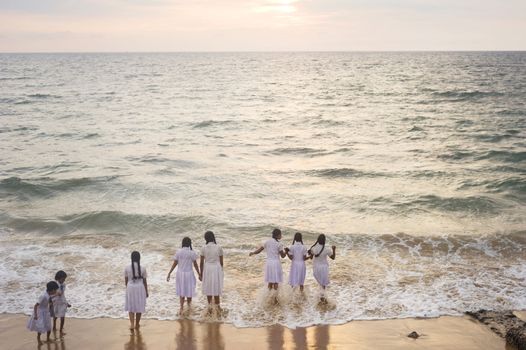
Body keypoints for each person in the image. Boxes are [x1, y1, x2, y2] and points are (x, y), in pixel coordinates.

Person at [167, 237, 200, 315]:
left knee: (182, 291)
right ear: (189, 244)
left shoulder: (179, 252)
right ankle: (188, 307)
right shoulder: (192, 252)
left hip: (180, 274)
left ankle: (181, 308)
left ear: (183, 243)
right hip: (189, 274)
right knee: (189, 291)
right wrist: (199, 273)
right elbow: (195, 265)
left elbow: (175, 263)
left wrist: (169, 273)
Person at [199, 231, 224, 309]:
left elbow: (201, 263)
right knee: (216, 289)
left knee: (208, 288)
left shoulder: (203, 248)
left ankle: (209, 308)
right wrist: (221, 272)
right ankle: (218, 308)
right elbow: (221, 262)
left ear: (206, 238)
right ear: (213, 237)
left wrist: (201, 274)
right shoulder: (219, 247)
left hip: (207, 268)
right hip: (216, 268)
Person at [125, 251, 149, 330]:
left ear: (131, 258)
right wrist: (146, 291)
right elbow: (145, 281)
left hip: (130, 287)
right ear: (139, 258)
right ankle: (137, 323)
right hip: (140, 288)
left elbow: (126, 280)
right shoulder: (143, 268)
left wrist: (127, 288)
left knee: (131, 307)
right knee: (139, 306)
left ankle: (132, 324)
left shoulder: (127, 267)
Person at [308, 234, 336, 300]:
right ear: (324, 241)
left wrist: (310, 253)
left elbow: (311, 258)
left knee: (320, 283)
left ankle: (320, 297)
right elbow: (333, 257)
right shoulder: (327, 249)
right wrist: (334, 249)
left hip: (316, 268)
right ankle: (322, 297)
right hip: (324, 268)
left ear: (318, 240)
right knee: (323, 284)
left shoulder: (313, 248)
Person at [52, 270, 71, 335]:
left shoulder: (64, 284)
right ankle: (54, 326)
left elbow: (63, 294)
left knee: (62, 316)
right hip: (56, 302)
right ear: (58, 278)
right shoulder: (55, 285)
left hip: (62, 302)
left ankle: (61, 330)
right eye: (63, 279)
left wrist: (66, 302)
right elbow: (51, 293)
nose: (64, 280)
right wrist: (56, 293)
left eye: (65, 279)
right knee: (56, 316)